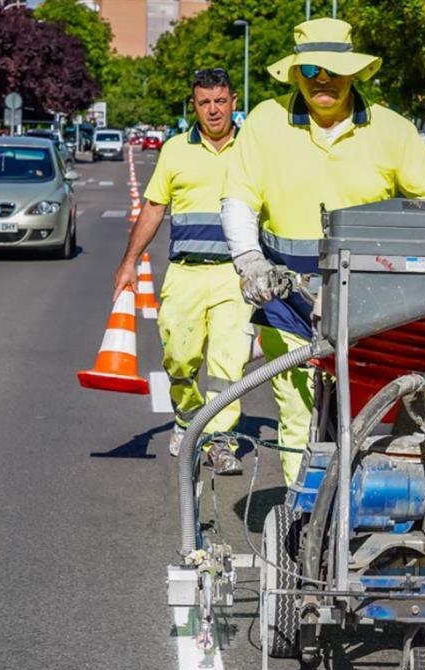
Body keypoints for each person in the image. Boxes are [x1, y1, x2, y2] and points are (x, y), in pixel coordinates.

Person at [220, 18, 425, 485]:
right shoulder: (265, 123)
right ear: (295, 73)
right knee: (298, 410)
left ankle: (369, 503)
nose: (323, 80)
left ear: (354, 73)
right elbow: (239, 200)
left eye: (334, 69)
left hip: (373, 306)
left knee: (373, 410)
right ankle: (307, 511)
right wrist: (250, 261)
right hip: (286, 296)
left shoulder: (393, 131)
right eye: (311, 69)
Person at [112, 68, 248, 473]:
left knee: (228, 362)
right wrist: (129, 262)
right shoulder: (174, 149)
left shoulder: (251, 150)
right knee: (179, 359)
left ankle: (220, 440)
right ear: (195, 105)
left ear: (233, 102)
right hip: (185, 273)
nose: (213, 110)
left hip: (233, 276)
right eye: (205, 102)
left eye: (220, 101)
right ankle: (188, 421)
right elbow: (154, 208)